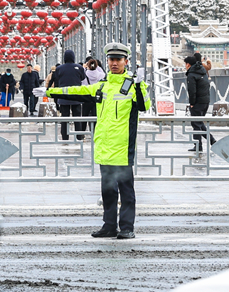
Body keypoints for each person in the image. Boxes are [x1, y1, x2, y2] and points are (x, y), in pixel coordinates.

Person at [46, 42, 151, 240]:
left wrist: (139, 86)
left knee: (126, 191)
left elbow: (144, 106)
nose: (114, 63)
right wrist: (49, 92)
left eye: (118, 59)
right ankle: (109, 226)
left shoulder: (132, 84)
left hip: (122, 148)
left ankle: (127, 227)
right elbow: (77, 91)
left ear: (126, 61)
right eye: (111, 59)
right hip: (104, 148)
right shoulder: (102, 86)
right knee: (108, 191)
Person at [51, 50, 87, 141]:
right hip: (76, 97)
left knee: (64, 118)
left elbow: (57, 78)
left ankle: (65, 137)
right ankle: (78, 137)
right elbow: (83, 77)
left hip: (64, 97)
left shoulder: (59, 68)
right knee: (77, 118)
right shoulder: (79, 67)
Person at [185, 55, 216, 153]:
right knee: (199, 123)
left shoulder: (191, 74)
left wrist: (192, 103)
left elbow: (192, 91)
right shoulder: (202, 70)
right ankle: (212, 141)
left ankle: (198, 146)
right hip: (205, 101)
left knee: (196, 123)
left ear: (188, 64)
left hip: (198, 102)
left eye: (185, 64)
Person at [83, 58, 106, 130]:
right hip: (96, 98)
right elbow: (104, 74)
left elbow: (82, 82)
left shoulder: (85, 74)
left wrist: (85, 67)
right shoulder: (99, 75)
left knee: (84, 116)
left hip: (86, 97)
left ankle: (81, 133)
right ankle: (94, 132)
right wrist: (97, 66)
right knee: (95, 116)